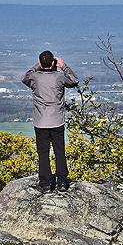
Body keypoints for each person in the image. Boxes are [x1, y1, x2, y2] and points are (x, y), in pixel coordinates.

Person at [22, 50, 79, 192]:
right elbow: (74, 80)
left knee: (43, 153)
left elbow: (25, 77)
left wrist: (38, 64)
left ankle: (46, 183)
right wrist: (63, 65)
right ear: (53, 63)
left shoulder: (34, 77)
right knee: (60, 151)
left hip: (40, 122)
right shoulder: (59, 77)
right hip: (57, 121)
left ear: (40, 63)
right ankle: (62, 182)